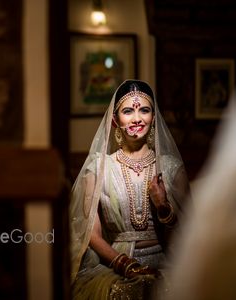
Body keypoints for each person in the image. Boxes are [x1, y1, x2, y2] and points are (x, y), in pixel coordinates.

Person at [70, 79, 191, 299]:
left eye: (144, 110)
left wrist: (163, 207)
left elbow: (189, 237)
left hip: (167, 263)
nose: (137, 118)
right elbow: (90, 234)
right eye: (128, 111)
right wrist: (125, 265)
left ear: (153, 117)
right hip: (115, 264)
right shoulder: (98, 169)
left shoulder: (171, 169)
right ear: (115, 120)